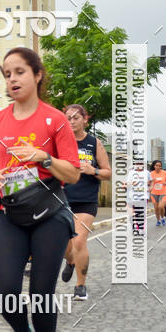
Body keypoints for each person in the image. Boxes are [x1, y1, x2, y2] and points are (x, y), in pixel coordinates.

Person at [0, 47, 80, 332]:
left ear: (37, 75)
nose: (12, 79)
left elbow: (71, 174)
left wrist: (43, 158)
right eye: (7, 73)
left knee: (41, 291)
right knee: (4, 289)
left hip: (48, 212)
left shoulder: (54, 119)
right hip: (11, 213)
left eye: (19, 72)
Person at [59, 105, 111, 300]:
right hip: (62, 200)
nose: (71, 121)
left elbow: (107, 172)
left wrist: (93, 171)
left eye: (75, 118)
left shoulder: (93, 143)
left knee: (79, 241)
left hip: (85, 201)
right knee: (64, 247)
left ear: (85, 119)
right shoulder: (60, 141)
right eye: (68, 118)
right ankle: (71, 262)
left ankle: (80, 286)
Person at [125, 161, 147, 234]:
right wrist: (131, 184)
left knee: (139, 213)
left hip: (140, 197)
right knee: (131, 213)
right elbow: (125, 186)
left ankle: (140, 228)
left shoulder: (144, 175)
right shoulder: (129, 176)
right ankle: (133, 226)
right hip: (130, 197)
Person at [149, 160, 166, 227]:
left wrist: (165, 183)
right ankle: (158, 220)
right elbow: (148, 182)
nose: (158, 167)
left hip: (163, 192)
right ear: (154, 166)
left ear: (161, 166)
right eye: (156, 165)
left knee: (161, 206)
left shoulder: (164, 173)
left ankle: (162, 218)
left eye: (159, 166)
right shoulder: (151, 173)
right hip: (154, 193)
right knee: (156, 208)